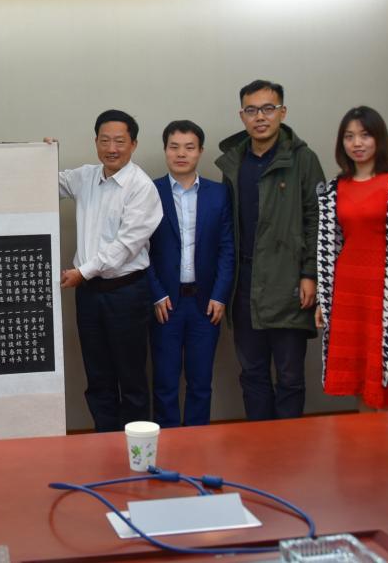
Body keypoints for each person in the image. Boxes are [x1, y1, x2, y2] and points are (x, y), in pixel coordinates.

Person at [215, 80, 325, 421]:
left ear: (282, 112)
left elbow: (317, 219)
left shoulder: (303, 159)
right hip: (245, 284)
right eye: (251, 110)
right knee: (253, 375)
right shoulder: (234, 162)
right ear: (242, 116)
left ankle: (288, 446)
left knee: (290, 377)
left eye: (268, 108)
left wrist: (310, 274)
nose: (260, 117)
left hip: (289, 282)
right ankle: (259, 443)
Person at [53, 110, 163, 432]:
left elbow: (124, 247)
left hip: (126, 293)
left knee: (131, 378)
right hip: (88, 295)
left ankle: (136, 448)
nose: (111, 148)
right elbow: (42, 182)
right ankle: (104, 442)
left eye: (119, 141)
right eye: (105, 141)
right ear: (96, 142)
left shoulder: (141, 187)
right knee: (97, 376)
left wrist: (83, 272)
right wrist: (44, 156)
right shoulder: (85, 177)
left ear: (133, 144)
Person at [316, 106, 388, 409]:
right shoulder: (335, 188)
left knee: (385, 374)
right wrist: (325, 299)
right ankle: (365, 433)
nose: (357, 143)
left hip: (385, 292)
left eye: (365, 135)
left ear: (379, 138)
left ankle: (387, 435)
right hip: (348, 291)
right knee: (357, 375)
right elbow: (327, 247)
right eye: (349, 136)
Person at [147, 121, 235, 427]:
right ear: (165, 150)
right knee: (165, 383)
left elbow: (227, 248)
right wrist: (156, 293)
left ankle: (197, 442)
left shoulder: (219, 194)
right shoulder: (149, 192)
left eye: (189, 147)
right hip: (165, 303)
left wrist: (220, 295)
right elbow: (139, 249)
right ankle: (169, 443)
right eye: (174, 147)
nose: (181, 154)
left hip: (205, 303)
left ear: (200, 151)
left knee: (200, 383)